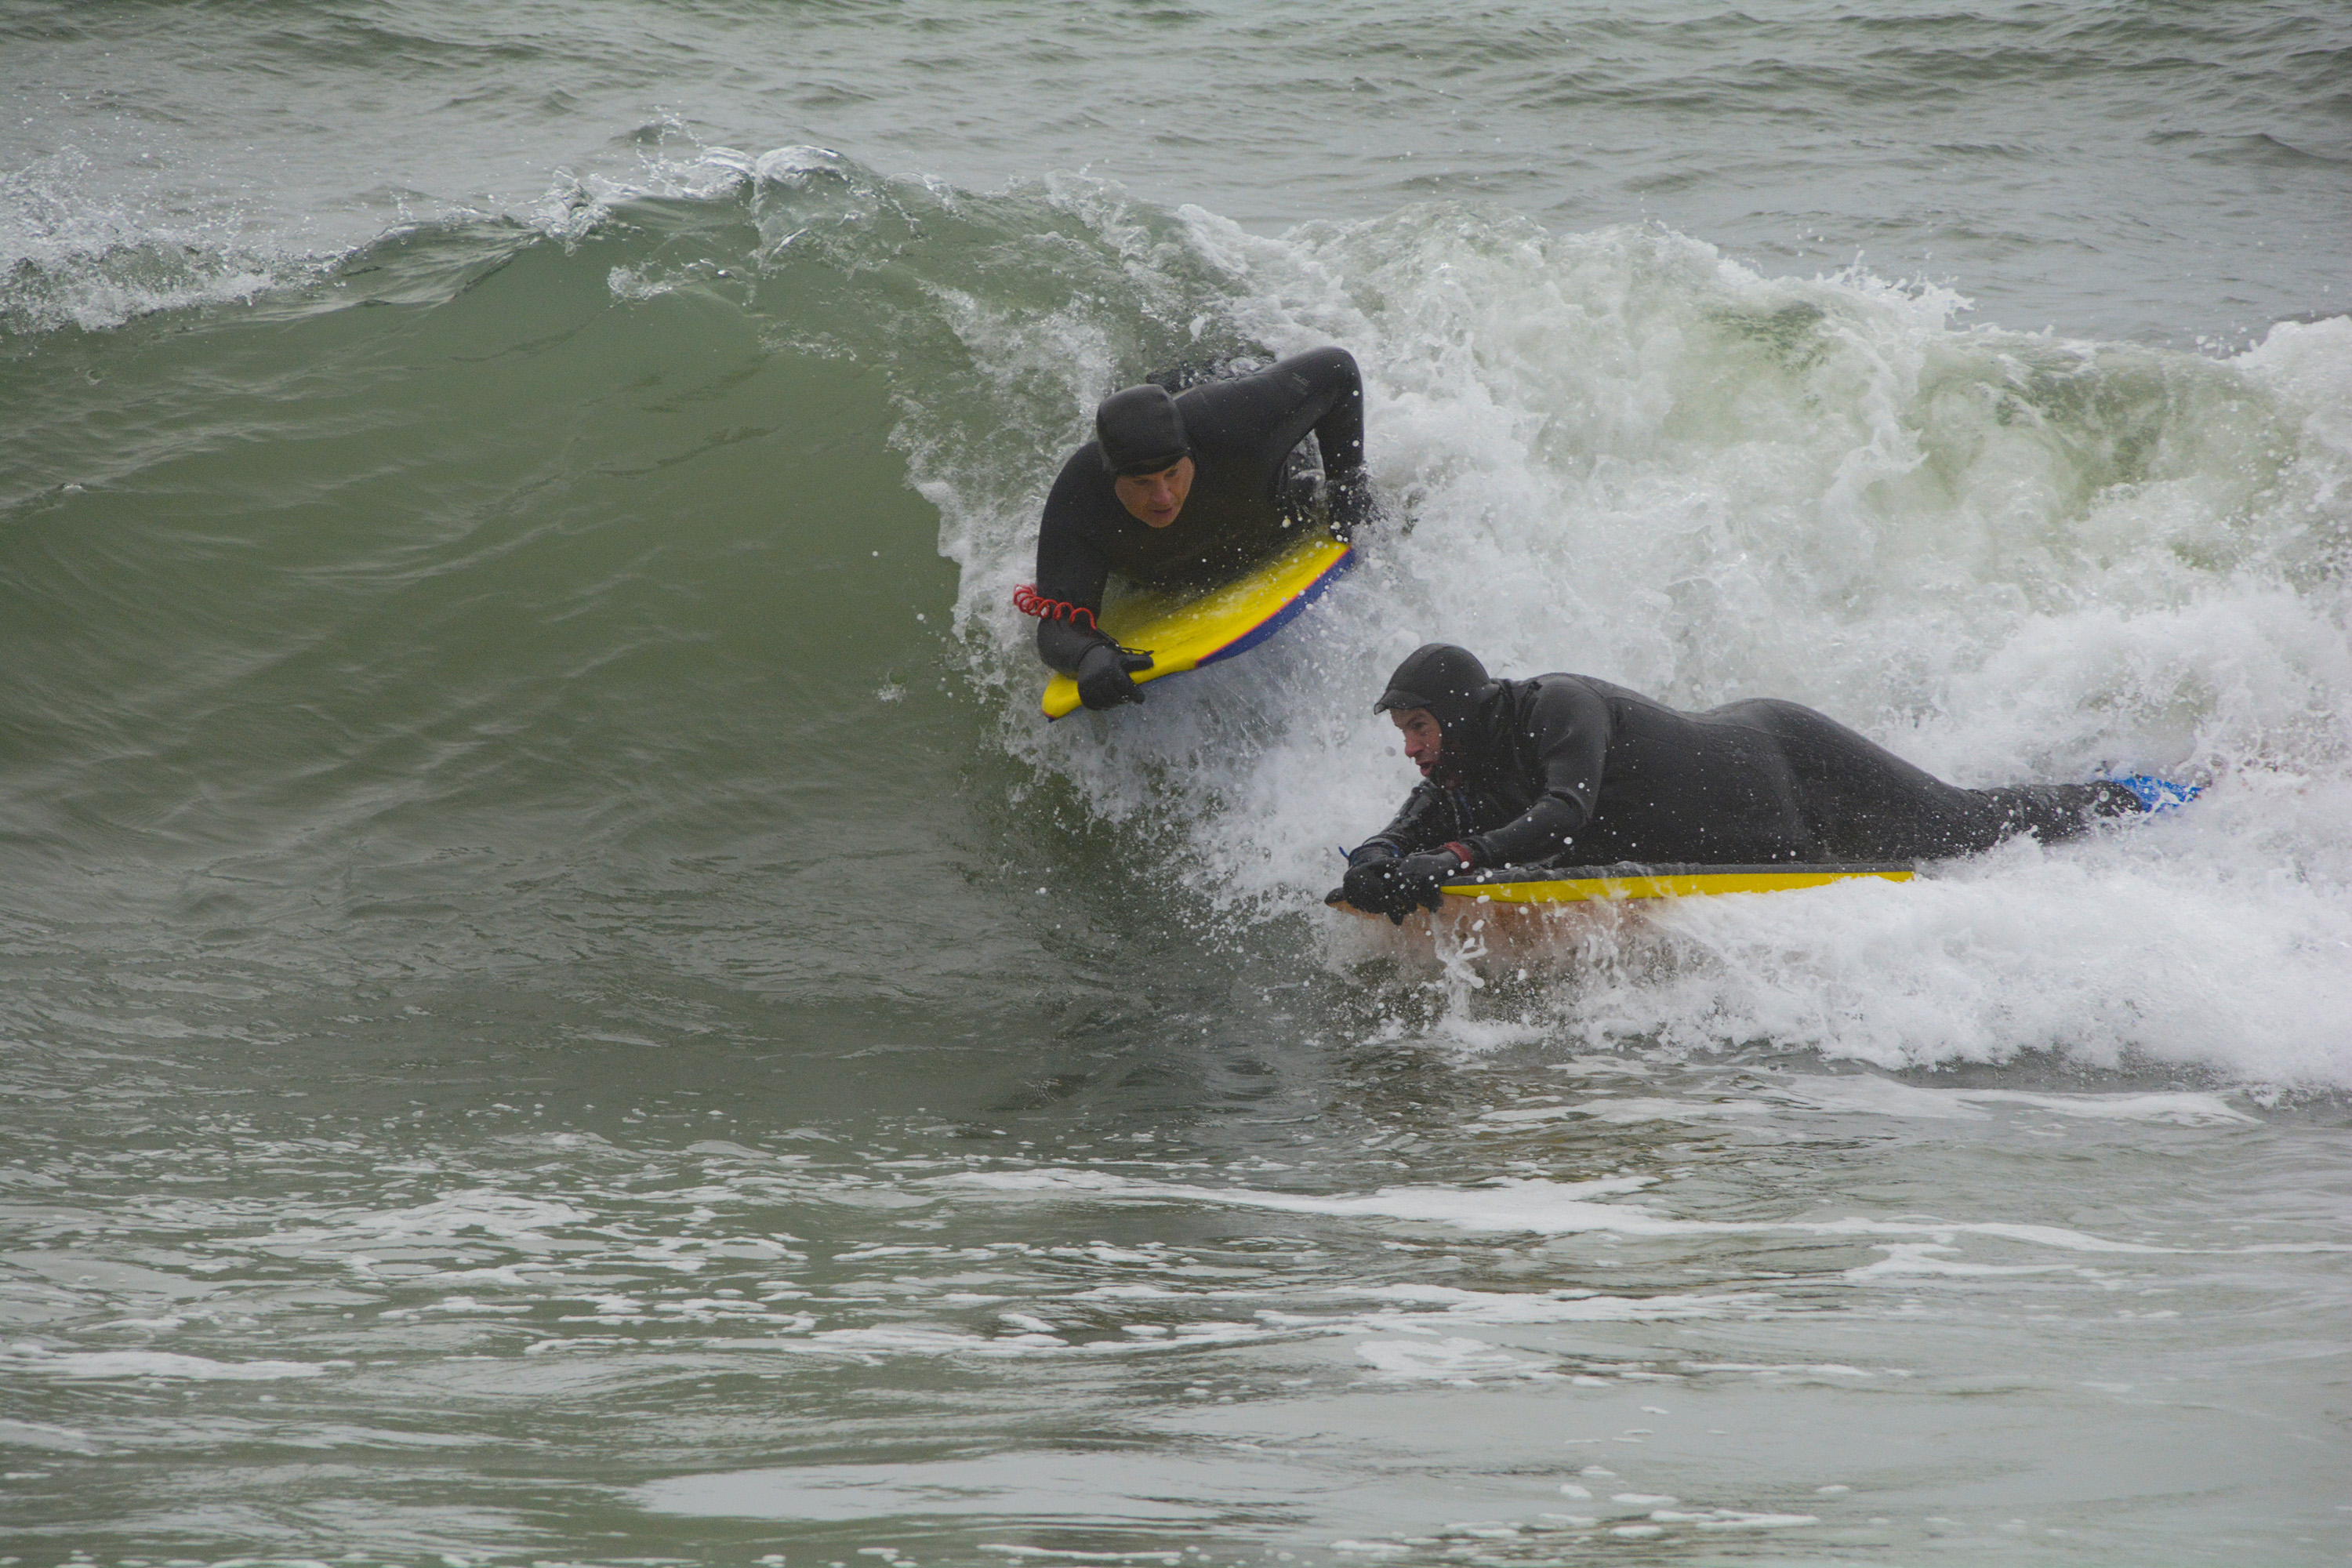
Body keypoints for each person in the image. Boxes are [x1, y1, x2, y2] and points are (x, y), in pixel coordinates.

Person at [1336, 643, 2199, 923]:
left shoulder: (1557, 708)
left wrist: (1454, 859)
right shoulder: (1468, 761)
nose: (1412, 749)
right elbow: (1424, 814)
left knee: (1968, 828)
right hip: (1763, 827)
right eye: (1403, 733)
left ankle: (2140, 795)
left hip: (1785, 762)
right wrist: (1381, 853)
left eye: (1419, 728)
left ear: (1458, 713)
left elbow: (1565, 816)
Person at [1018, 347, 1374, 711]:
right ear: (1112, 478)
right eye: (1142, 483)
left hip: (1282, 488)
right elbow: (1057, 624)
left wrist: (1348, 489)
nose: (1163, 497)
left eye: (1172, 473)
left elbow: (1338, 369)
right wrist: (1088, 655)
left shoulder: (1233, 422)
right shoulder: (1082, 496)